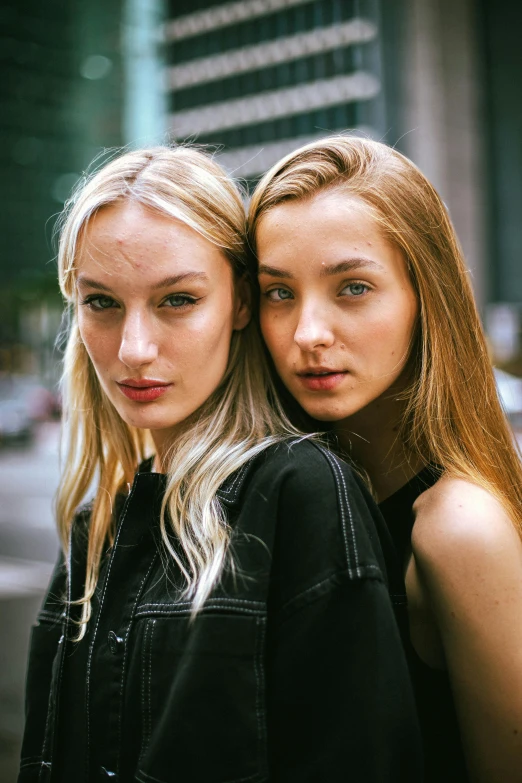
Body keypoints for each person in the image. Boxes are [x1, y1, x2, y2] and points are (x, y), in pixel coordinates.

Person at [18, 146, 423, 783]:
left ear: (240, 302)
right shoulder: (98, 524)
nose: (134, 348)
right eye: (101, 303)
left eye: (177, 300)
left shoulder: (302, 490)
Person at [248, 135, 522, 783]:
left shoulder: (458, 526)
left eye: (353, 287)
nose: (309, 332)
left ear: (424, 296)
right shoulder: (298, 487)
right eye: (278, 293)